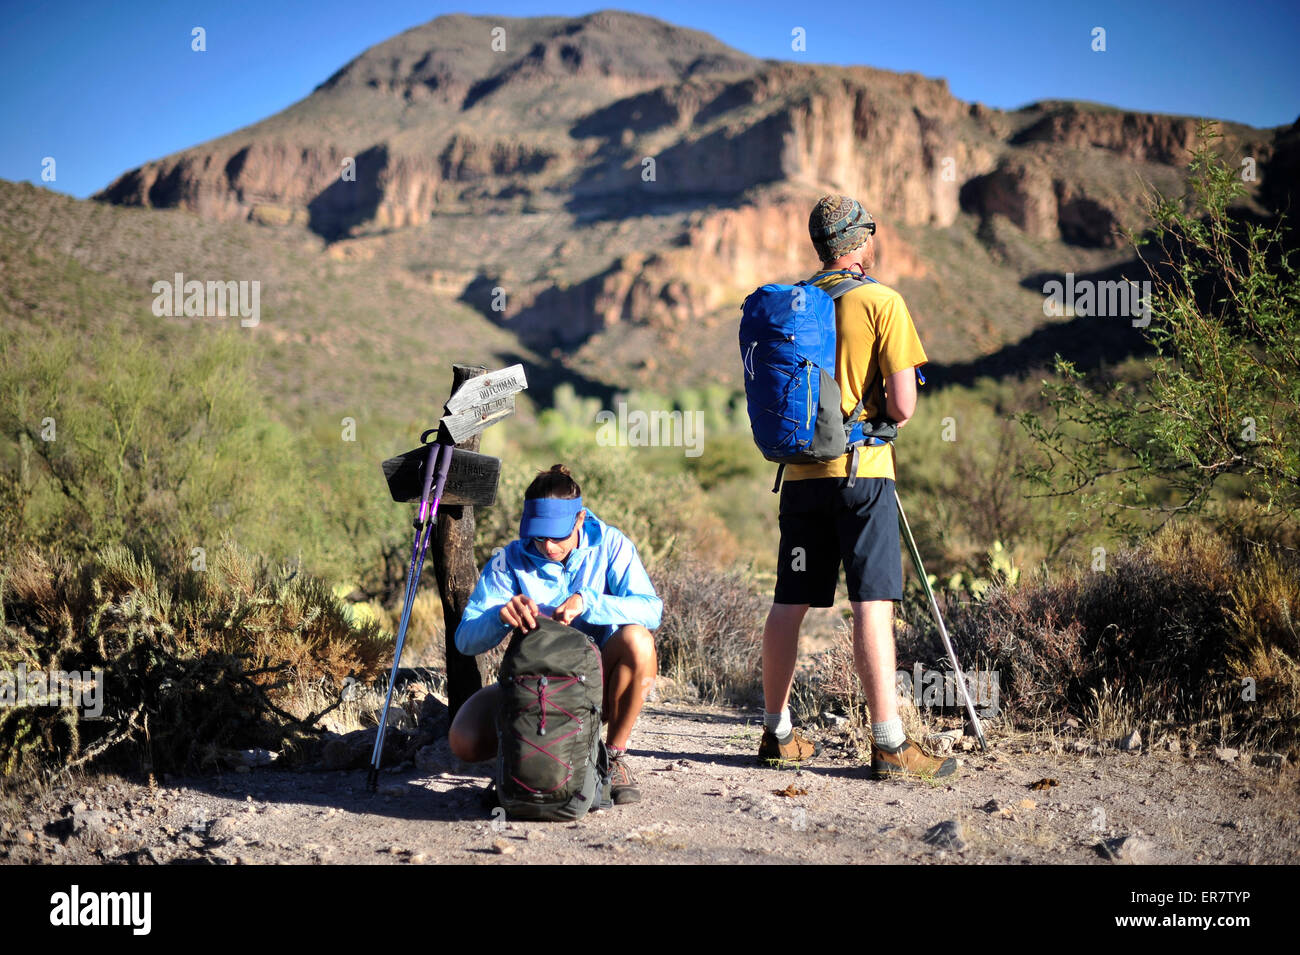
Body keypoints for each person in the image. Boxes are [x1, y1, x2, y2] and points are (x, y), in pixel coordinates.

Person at [757, 194, 957, 779]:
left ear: (821, 246)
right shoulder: (882, 301)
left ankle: (776, 734)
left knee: (788, 603)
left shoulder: (794, 304)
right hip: (862, 477)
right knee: (872, 603)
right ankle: (890, 746)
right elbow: (903, 404)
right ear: (860, 241)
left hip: (798, 478)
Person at [449, 464, 661, 804]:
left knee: (638, 640)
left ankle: (613, 756)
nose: (547, 547)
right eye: (538, 536)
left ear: (579, 520)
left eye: (557, 536)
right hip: (531, 689)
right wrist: (499, 616)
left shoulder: (611, 544)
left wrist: (588, 602)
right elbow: (466, 640)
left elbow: (651, 610)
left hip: (596, 687)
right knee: (464, 740)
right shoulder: (510, 560)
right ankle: (529, 759)